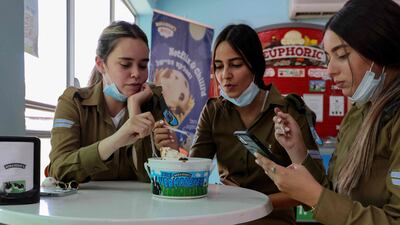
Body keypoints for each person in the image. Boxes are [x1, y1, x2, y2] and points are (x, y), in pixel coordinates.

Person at [154, 24, 326, 225]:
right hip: (227, 216)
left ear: (255, 65)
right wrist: (174, 151)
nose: (225, 75)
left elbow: (313, 189)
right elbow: (196, 172)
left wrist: (252, 202)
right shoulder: (214, 111)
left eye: (235, 65)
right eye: (218, 66)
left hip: (274, 219)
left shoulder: (290, 111)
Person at [254, 0, 400, 224]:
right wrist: (297, 150)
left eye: (341, 55)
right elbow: (334, 193)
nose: (330, 70)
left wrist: (314, 196)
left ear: (379, 49)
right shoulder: (358, 112)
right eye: (328, 57)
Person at [48, 21, 163, 183]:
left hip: (138, 207)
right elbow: (59, 169)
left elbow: (151, 179)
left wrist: (134, 107)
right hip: (84, 207)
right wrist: (117, 139)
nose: (137, 73)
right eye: (125, 64)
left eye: (143, 65)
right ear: (101, 65)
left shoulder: (153, 102)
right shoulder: (73, 102)